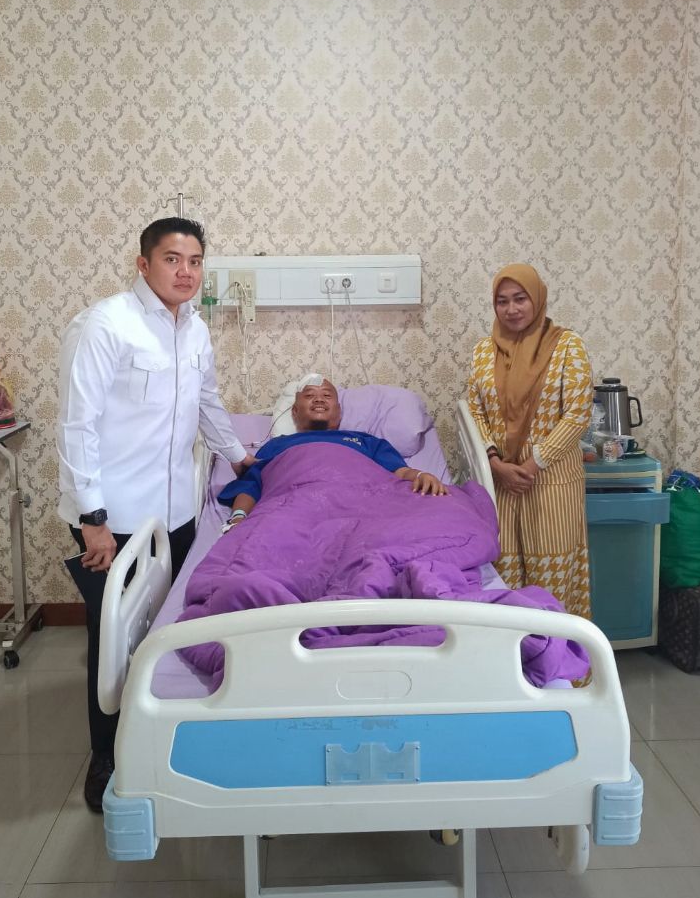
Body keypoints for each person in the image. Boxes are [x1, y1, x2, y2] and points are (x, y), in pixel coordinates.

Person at [57, 216, 254, 812]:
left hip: (174, 511)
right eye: (172, 259)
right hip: (113, 515)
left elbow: (207, 403)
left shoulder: (195, 329)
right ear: (143, 264)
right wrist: (92, 517)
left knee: (166, 628)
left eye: (194, 261)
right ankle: (107, 757)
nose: (185, 272)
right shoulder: (105, 325)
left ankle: (164, 739)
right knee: (113, 639)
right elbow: (77, 424)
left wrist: (240, 459)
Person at [467, 263, 592, 618]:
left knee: (552, 583)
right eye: (502, 301)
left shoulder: (567, 346)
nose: (511, 309)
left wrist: (534, 463)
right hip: (501, 484)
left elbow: (577, 413)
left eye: (520, 299)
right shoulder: (483, 352)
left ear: (536, 299)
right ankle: (513, 656)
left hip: (551, 483)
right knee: (504, 582)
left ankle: (558, 655)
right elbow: (475, 411)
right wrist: (495, 463)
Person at [219, 375, 447, 526]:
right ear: (295, 412)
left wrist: (421, 475)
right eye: (309, 395)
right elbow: (253, 484)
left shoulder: (365, 441)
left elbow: (398, 472)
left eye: (327, 395)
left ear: (338, 412)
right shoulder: (277, 445)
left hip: (362, 510)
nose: (319, 399)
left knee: (446, 513)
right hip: (295, 511)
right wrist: (238, 518)